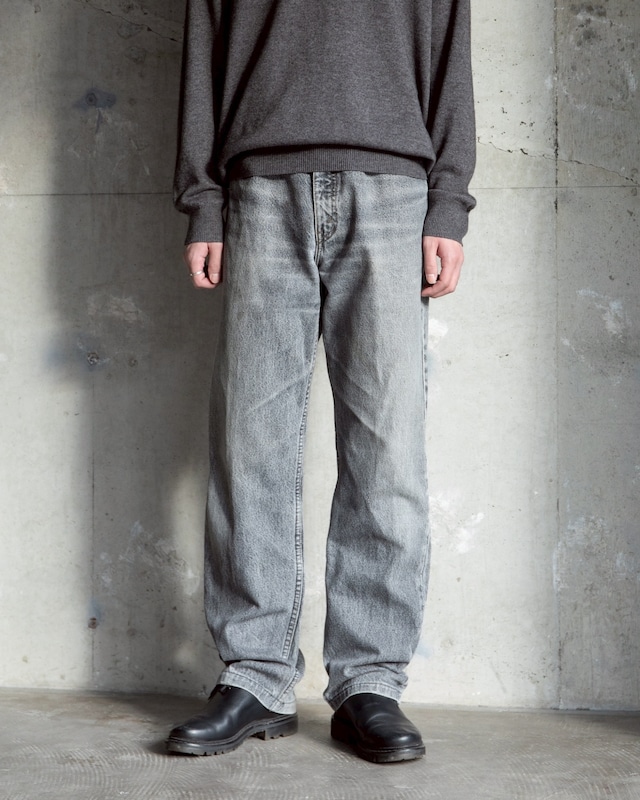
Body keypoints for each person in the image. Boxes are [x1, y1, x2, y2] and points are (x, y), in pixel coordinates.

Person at [166, 0, 475, 764]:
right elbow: (204, 44)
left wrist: (448, 201)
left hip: (394, 191)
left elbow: (450, 48)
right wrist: (203, 200)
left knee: (386, 450)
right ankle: (256, 675)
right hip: (258, 188)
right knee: (250, 446)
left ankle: (369, 680)